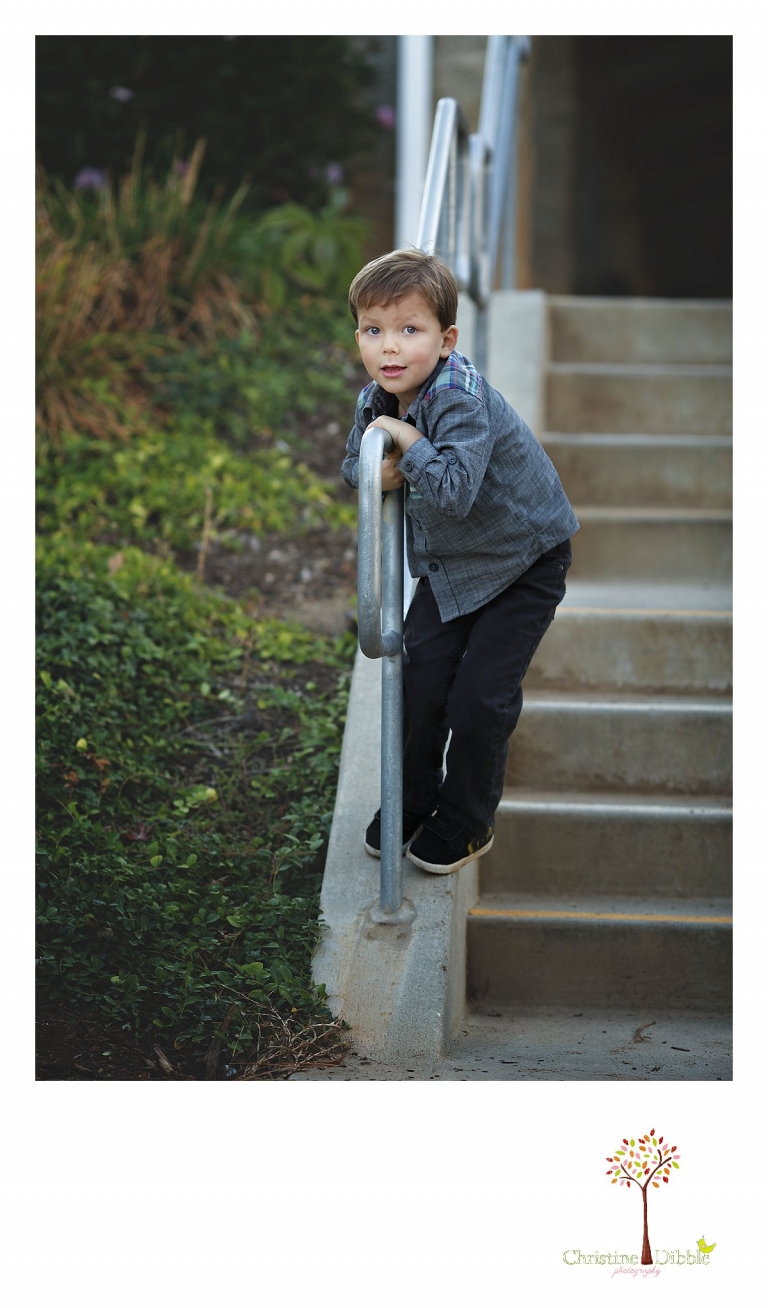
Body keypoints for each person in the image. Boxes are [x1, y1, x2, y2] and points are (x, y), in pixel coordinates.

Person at [342, 249, 579, 875]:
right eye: (374, 331)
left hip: (525, 560)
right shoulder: (378, 398)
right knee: (420, 685)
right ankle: (412, 801)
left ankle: (467, 820)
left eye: (409, 331)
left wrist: (410, 443)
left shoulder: (459, 399)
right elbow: (355, 469)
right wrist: (382, 468)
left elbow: (451, 490)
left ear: (446, 340)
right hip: (453, 569)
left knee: (479, 699)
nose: (389, 348)